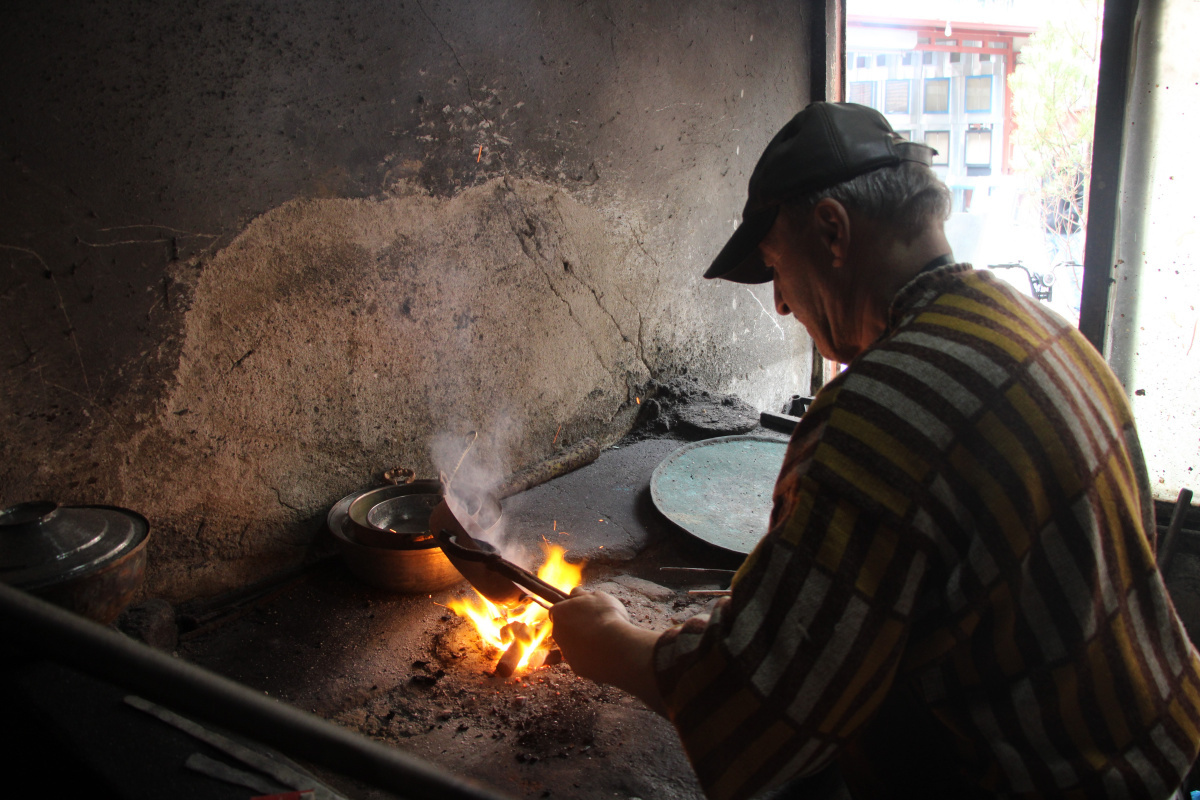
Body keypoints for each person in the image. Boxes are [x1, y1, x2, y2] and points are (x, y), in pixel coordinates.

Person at [549, 102, 1200, 799]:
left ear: (832, 231)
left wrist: (612, 645)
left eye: (774, 267)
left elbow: (756, 710)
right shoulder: (1043, 332)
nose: (778, 305)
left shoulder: (879, 413)